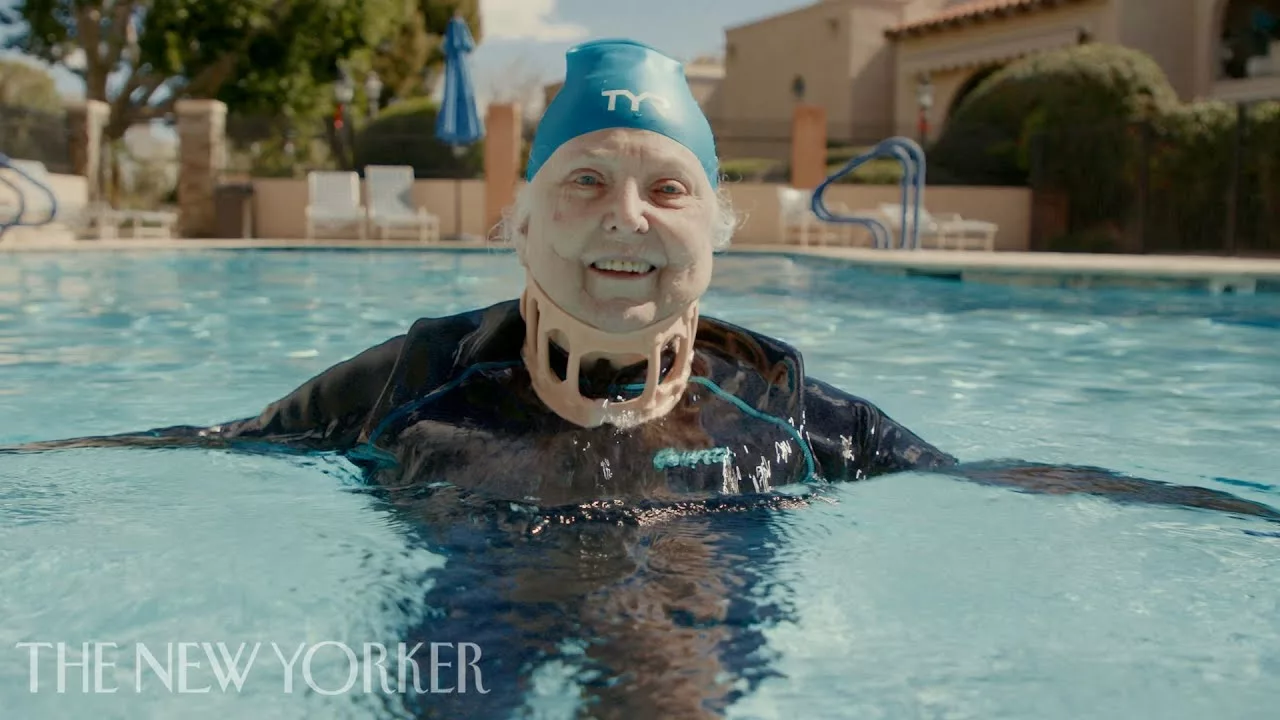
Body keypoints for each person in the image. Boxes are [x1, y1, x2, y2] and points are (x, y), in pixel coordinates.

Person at [2, 38, 1276, 525]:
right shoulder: (414, 380)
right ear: (518, 225)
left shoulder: (785, 411)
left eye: (665, 187)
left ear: (715, 228)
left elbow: (990, 477)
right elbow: (209, 442)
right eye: (583, 182)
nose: (625, 219)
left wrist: (1219, 508)